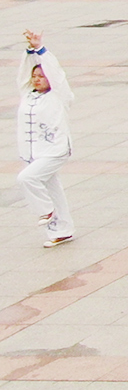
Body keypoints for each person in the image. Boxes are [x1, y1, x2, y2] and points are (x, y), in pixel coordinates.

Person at [16, 32, 74, 247]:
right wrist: (30, 52)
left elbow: (57, 75)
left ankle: (45, 210)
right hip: (33, 152)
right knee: (53, 189)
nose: (36, 79)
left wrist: (41, 50)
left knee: (27, 178)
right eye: (35, 76)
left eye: (41, 76)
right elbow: (23, 74)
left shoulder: (59, 95)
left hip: (54, 150)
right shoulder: (27, 94)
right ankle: (62, 230)